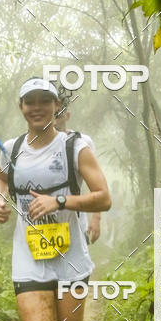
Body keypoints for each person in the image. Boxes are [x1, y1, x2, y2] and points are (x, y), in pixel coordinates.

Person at [0, 77, 111, 321]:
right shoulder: (10, 148)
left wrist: (60, 204)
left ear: (57, 106)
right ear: (22, 107)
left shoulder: (76, 146)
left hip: (69, 259)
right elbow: (1, 179)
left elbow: (103, 198)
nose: (37, 107)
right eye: (30, 101)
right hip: (29, 258)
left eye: (45, 100)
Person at [54, 99, 101, 246]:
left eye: (58, 115)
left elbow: (96, 184)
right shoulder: (36, 143)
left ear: (67, 116)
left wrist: (96, 218)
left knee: (79, 267)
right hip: (44, 224)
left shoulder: (82, 141)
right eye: (51, 115)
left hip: (76, 220)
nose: (54, 120)